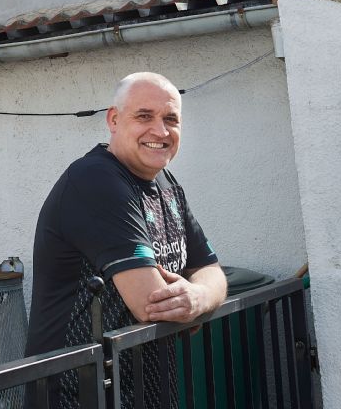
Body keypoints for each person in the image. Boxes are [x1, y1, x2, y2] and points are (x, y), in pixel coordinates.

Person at [25, 72, 227, 408]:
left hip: (143, 385)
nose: (160, 131)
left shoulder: (165, 183)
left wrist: (198, 297)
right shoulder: (95, 179)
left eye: (171, 119)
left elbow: (211, 271)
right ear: (114, 120)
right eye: (144, 116)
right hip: (80, 391)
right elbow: (150, 302)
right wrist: (193, 302)